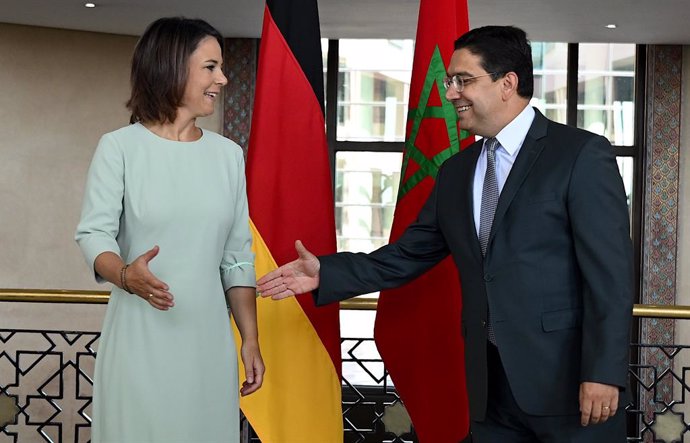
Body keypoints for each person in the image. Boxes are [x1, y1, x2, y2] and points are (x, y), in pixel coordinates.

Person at [257, 25, 633, 442]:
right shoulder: (457, 171)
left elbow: (610, 276)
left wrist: (602, 372)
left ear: (507, 83)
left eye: (463, 80)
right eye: (449, 81)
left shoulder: (580, 154)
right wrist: (326, 273)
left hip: (570, 386)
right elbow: (409, 254)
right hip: (489, 389)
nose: (451, 92)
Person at [75, 17, 264, 442]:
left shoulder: (228, 156)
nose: (223, 78)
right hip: (140, 340)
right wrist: (125, 275)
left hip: (207, 345)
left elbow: (236, 257)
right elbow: (93, 235)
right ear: (172, 67)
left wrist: (249, 339)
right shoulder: (119, 148)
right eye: (211, 67)